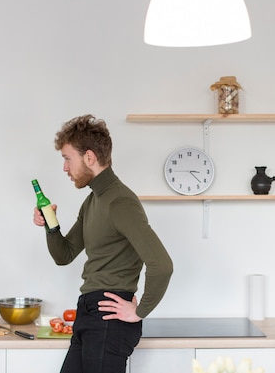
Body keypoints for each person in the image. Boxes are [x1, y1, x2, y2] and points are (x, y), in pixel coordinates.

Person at [33, 115, 173, 373]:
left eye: (67, 159)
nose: (65, 168)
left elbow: (161, 265)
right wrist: (51, 226)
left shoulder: (120, 201)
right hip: (88, 312)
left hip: (110, 318)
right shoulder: (93, 201)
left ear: (89, 157)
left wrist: (140, 311)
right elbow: (64, 254)